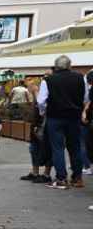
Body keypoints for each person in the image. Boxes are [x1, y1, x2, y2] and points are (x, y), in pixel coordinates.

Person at [37, 55, 88, 189]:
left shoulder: (47, 80)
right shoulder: (80, 78)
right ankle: (77, 178)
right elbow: (85, 97)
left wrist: (44, 112)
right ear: (69, 65)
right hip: (74, 117)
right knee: (75, 147)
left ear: (56, 66)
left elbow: (41, 101)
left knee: (57, 148)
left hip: (55, 117)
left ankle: (61, 178)